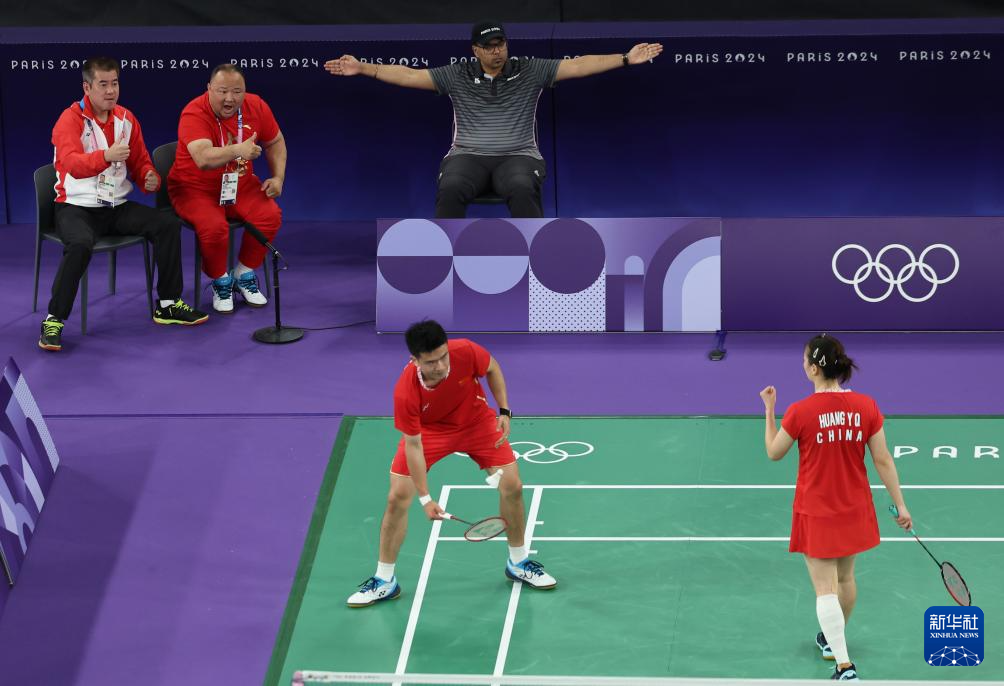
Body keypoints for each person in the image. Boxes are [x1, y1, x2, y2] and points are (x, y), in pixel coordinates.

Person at [325, 22, 662, 218]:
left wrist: (625, 58)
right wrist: (363, 68)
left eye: (501, 44)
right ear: (475, 50)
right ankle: (444, 268)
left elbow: (577, 65)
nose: (497, 51)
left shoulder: (530, 70)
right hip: (467, 156)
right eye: (489, 47)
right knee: (450, 187)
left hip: (519, 156)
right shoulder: (457, 74)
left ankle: (537, 266)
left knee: (521, 186)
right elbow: (410, 75)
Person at [347, 320, 556, 607]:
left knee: (512, 486)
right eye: (431, 362)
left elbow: (492, 368)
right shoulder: (406, 392)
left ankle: (518, 562)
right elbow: (414, 445)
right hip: (429, 432)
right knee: (397, 497)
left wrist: (504, 410)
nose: (441, 366)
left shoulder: (465, 351)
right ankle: (384, 580)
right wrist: (425, 498)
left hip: (476, 422)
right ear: (414, 360)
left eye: (443, 356)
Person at [759, 334, 913, 682]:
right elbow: (883, 459)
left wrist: (769, 411)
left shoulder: (800, 412)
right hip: (854, 507)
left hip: (817, 511)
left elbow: (773, 452)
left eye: (804, 360)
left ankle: (844, 666)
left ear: (814, 368)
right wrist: (901, 505)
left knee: (824, 589)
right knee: (845, 579)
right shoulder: (866, 406)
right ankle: (832, 642)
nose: (802, 365)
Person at [41, 56, 207, 351]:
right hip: (75, 206)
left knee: (167, 224)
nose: (110, 91)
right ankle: (54, 319)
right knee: (80, 245)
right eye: (103, 84)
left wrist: (149, 177)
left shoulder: (127, 119)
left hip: (115, 206)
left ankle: (168, 304)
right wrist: (105, 156)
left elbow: (140, 161)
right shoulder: (69, 119)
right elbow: (72, 164)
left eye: (115, 83)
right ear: (87, 87)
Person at [168, 64, 286, 314]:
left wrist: (278, 178)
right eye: (222, 91)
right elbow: (203, 159)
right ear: (209, 89)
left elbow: (275, 141)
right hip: (194, 188)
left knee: (269, 215)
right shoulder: (194, 112)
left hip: (238, 183)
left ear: (245, 91)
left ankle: (243, 273)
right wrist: (238, 150)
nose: (230, 98)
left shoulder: (257, 106)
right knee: (214, 228)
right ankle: (220, 280)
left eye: (237, 91)